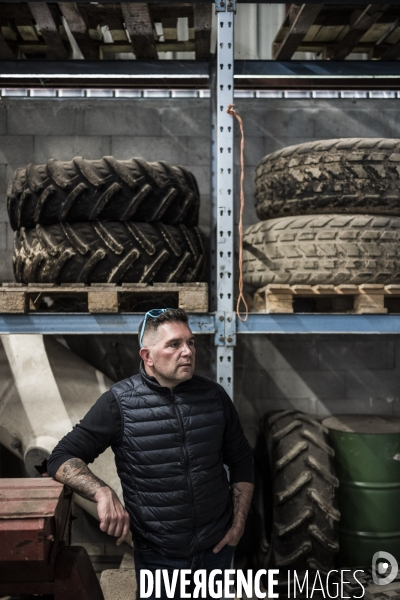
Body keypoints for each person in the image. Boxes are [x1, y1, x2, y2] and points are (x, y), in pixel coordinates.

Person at [47, 308, 254, 599]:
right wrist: (102, 492)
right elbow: (60, 457)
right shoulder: (118, 403)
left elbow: (242, 461)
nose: (187, 352)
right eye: (174, 344)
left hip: (216, 550)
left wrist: (238, 523)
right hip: (159, 559)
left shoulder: (214, 396)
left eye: (190, 342)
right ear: (147, 356)